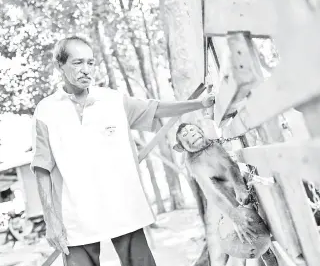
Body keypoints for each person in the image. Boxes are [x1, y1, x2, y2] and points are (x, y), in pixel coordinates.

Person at [31, 35, 215, 266]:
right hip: (75, 215)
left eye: (90, 62)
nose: (86, 70)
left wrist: (200, 104)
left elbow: (156, 109)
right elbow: (42, 169)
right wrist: (51, 220)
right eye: (77, 63)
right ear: (60, 65)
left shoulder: (113, 100)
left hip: (123, 206)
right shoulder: (46, 110)